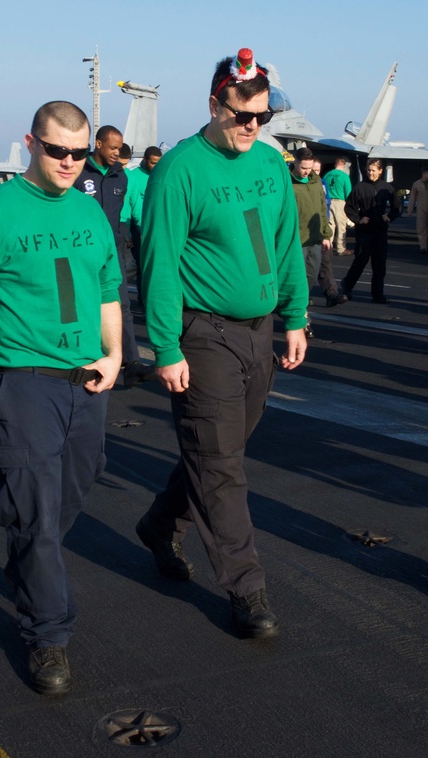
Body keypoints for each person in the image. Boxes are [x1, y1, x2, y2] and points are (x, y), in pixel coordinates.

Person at [135, 48, 308, 639]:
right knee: (223, 466)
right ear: (214, 105)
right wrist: (166, 346)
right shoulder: (179, 170)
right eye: (242, 115)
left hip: (261, 333)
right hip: (203, 333)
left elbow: (285, 244)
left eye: (262, 116)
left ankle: (162, 522)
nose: (253, 126)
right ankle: (247, 590)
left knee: (218, 451)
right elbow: (159, 266)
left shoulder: (268, 162)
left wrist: (296, 315)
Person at [0, 100, 122, 695]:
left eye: (80, 153)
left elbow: (106, 286)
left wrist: (115, 353)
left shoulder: (89, 210)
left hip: (87, 383)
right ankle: (48, 634)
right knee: (38, 513)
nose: (70, 162)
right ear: (31, 143)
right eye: (57, 151)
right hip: (24, 383)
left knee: (72, 488)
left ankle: (25, 544)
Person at [75, 125, 154, 387]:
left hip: (111, 254)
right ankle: (85, 361)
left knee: (122, 307)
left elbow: (121, 214)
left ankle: (130, 363)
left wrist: (125, 241)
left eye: (119, 148)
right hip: (79, 253)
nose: (116, 153)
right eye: (112, 147)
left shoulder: (120, 176)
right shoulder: (78, 170)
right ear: (97, 144)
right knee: (85, 308)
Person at [290, 148, 346, 323]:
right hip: (295, 241)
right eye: (303, 168)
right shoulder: (286, 183)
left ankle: (296, 307)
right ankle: (300, 319)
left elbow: (322, 209)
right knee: (297, 280)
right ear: (295, 163)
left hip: (314, 239)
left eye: (309, 168)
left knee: (311, 277)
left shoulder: (316, 183)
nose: (306, 172)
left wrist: (326, 234)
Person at [340, 158, 400, 303]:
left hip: (380, 232)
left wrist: (389, 217)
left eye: (373, 170)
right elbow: (349, 207)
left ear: (380, 171)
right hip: (364, 232)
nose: (370, 173)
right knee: (360, 261)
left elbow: (397, 207)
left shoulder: (387, 188)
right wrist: (358, 219)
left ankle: (377, 294)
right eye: (369, 170)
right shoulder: (360, 187)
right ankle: (347, 285)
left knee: (379, 265)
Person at [123, 146, 163, 301]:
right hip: (138, 227)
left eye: (158, 163)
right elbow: (131, 205)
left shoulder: (160, 176)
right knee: (141, 265)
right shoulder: (133, 177)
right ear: (145, 160)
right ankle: (142, 299)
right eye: (152, 163)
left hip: (156, 227)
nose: (155, 166)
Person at [324, 156, 353, 255]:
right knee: (341, 226)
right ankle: (341, 248)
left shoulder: (327, 175)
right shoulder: (344, 176)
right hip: (340, 202)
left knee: (330, 225)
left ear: (335, 165)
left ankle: (328, 246)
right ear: (343, 165)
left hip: (328, 201)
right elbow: (348, 192)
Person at [408, 166, 428, 255]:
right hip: (421, 209)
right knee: (421, 228)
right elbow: (412, 197)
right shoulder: (416, 184)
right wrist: (410, 209)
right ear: (423, 173)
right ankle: (423, 246)